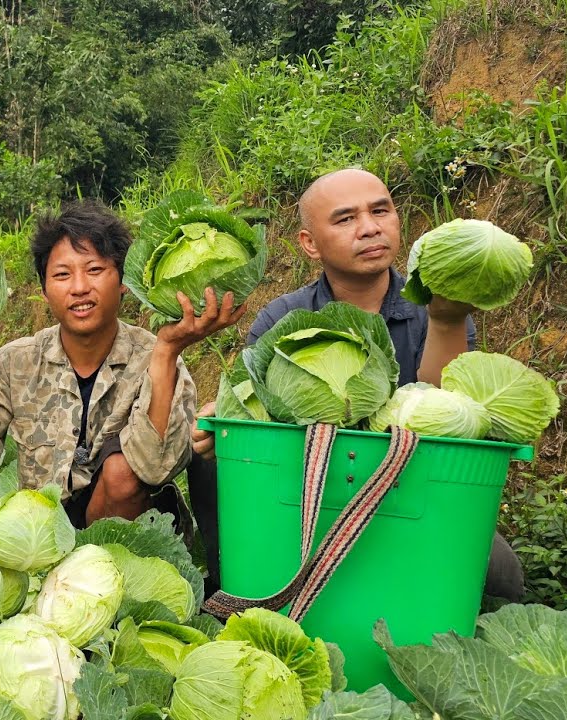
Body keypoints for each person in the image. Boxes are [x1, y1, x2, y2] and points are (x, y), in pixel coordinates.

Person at [189, 167, 524, 599]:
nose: (370, 228)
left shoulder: (436, 311)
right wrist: (227, 422)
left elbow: (453, 417)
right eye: (346, 219)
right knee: (206, 459)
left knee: (501, 573)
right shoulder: (282, 318)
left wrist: (446, 318)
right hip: (308, 490)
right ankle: (235, 590)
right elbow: (260, 411)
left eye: (381, 211)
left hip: (411, 489)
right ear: (309, 244)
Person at [0, 200, 244, 530]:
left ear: (123, 282)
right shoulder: (16, 361)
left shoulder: (154, 356)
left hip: (134, 541)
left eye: (94, 270)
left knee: (121, 472)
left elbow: (155, 467)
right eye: (62, 275)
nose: (78, 288)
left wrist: (166, 353)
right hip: (45, 537)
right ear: (44, 290)